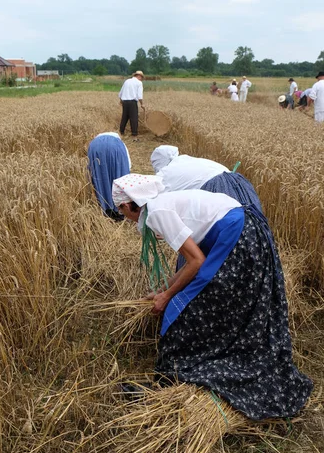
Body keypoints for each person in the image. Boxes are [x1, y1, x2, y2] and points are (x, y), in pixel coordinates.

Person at [112, 174, 313, 421]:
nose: (124, 217)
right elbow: (193, 261)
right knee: (210, 303)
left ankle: (183, 372)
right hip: (244, 231)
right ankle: (204, 361)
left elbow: (196, 261)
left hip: (237, 236)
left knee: (190, 309)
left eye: (121, 211)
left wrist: (167, 297)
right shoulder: (160, 204)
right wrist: (163, 290)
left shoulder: (156, 212)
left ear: (127, 204)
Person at [150, 145, 263, 212]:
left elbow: (155, 199)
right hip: (240, 184)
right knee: (253, 227)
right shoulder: (189, 160)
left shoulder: (167, 172)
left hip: (218, 190)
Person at [87, 133, 131, 220]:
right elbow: (128, 165)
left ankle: (105, 208)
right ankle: (119, 209)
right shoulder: (119, 142)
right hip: (116, 147)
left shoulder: (94, 141)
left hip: (95, 147)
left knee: (100, 175)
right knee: (119, 174)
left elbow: (90, 168)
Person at [118, 71, 145, 140]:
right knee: (134, 118)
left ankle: (121, 132)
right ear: (139, 76)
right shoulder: (139, 83)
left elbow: (121, 92)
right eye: (141, 77)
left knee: (125, 117)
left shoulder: (127, 81)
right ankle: (134, 135)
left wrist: (121, 101)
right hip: (132, 102)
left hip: (125, 102)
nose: (141, 79)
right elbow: (139, 96)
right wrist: (142, 104)